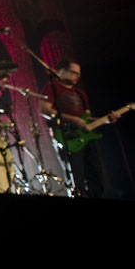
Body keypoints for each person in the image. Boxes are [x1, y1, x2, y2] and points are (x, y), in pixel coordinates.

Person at [40, 60, 117, 197]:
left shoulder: (80, 93)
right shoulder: (52, 87)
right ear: (61, 72)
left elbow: (87, 119)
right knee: (77, 181)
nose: (77, 76)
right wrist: (73, 119)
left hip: (87, 139)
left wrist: (107, 120)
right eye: (73, 72)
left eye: (78, 74)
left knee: (98, 179)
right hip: (67, 137)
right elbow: (44, 109)